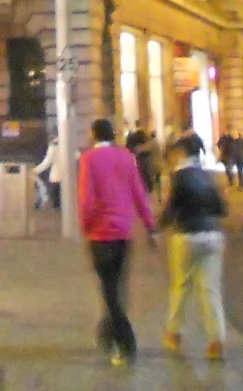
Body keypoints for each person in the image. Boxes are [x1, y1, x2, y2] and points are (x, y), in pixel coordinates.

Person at [79, 117, 160, 366]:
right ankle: (106, 333)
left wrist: (86, 225)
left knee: (110, 289)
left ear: (94, 135)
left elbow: (87, 199)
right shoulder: (126, 157)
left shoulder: (89, 159)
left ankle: (126, 342)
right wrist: (150, 226)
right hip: (124, 233)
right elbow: (139, 193)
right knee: (116, 285)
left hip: (100, 234)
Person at [160, 133, 229, 361]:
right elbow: (222, 209)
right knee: (210, 289)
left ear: (181, 153)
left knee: (181, 286)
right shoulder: (207, 176)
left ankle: (174, 333)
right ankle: (216, 340)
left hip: (187, 236)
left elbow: (170, 211)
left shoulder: (178, 178)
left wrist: (158, 225)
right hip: (212, 236)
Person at [32, 134, 60, 209]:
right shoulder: (71, 143)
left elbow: (47, 162)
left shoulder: (54, 146)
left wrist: (34, 171)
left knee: (57, 206)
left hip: (57, 179)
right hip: (71, 181)